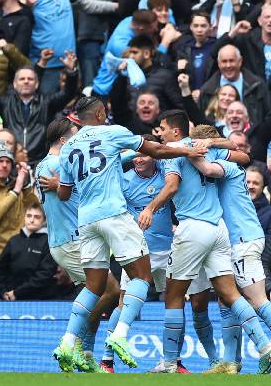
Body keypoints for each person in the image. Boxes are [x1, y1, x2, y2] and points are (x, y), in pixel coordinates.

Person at [52, 99, 206, 372]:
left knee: (93, 286)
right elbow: (156, 149)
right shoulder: (112, 132)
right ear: (100, 114)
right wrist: (186, 149)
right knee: (142, 277)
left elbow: (63, 193)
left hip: (86, 221)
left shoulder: (68, 149)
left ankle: (67, 341)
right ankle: (120, 336)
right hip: (113, 214)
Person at [188, 124, 271, 374]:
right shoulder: (226, 164)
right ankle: (230, 361)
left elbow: (212, 164)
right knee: (226, 300)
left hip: (244, 239)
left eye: (196, 143)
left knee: (257, 300)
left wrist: (190, 151)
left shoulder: (227, 167)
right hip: (231, 242)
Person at [34, 118, 119, 373]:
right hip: (71, 241)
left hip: (71, 240)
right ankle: (71, 343)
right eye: (75, 136)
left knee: (93, 297)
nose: (80, 141)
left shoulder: (47, 165)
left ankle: (85, 353)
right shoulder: (56, 163)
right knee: (111, 292)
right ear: (64, 141)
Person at [0, 203, 59, 300]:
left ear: (44, 220)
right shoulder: (13, 240)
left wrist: (17, 293)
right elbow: (0, 270)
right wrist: (3, 292)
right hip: (9, 298)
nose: (31, 220)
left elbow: (45, 274)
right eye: (29, 216)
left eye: (37, 217)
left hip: (39, 299)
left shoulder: (49, 242)